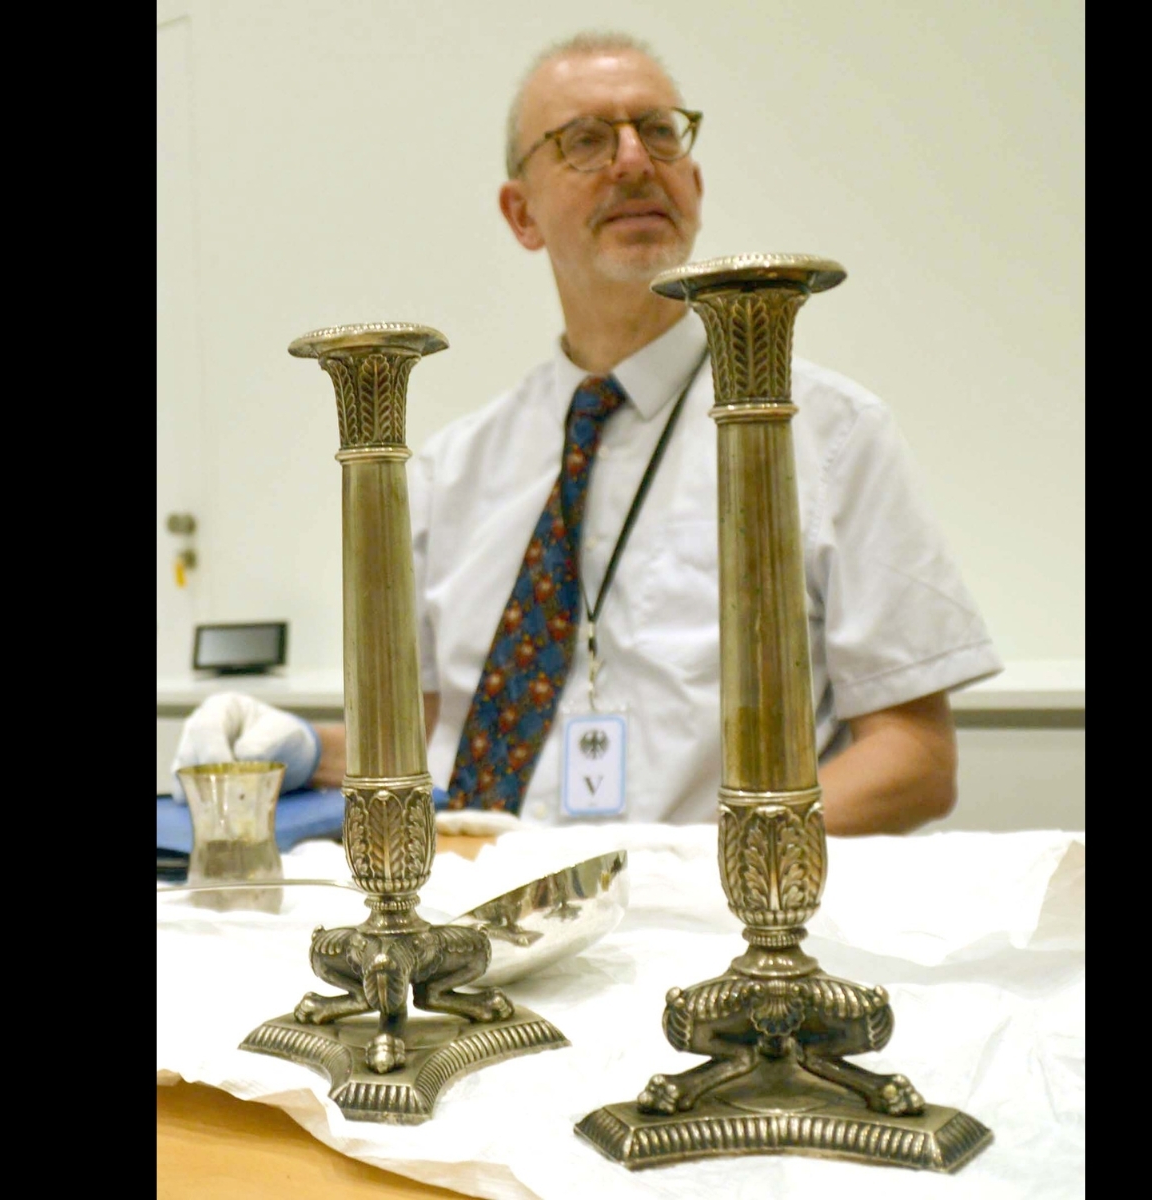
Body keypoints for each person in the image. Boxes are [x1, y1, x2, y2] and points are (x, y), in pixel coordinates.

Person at [173, 32, 1000, 836]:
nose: (636, 160)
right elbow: (435, 748)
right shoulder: (452, 470)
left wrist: (694, 866)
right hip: (481, 928)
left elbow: (914, 761)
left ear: (696, 187)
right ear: (521, 213)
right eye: (586, 140)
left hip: (713, 937)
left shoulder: (826, 435)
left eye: (662, 133)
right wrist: (306, 749)